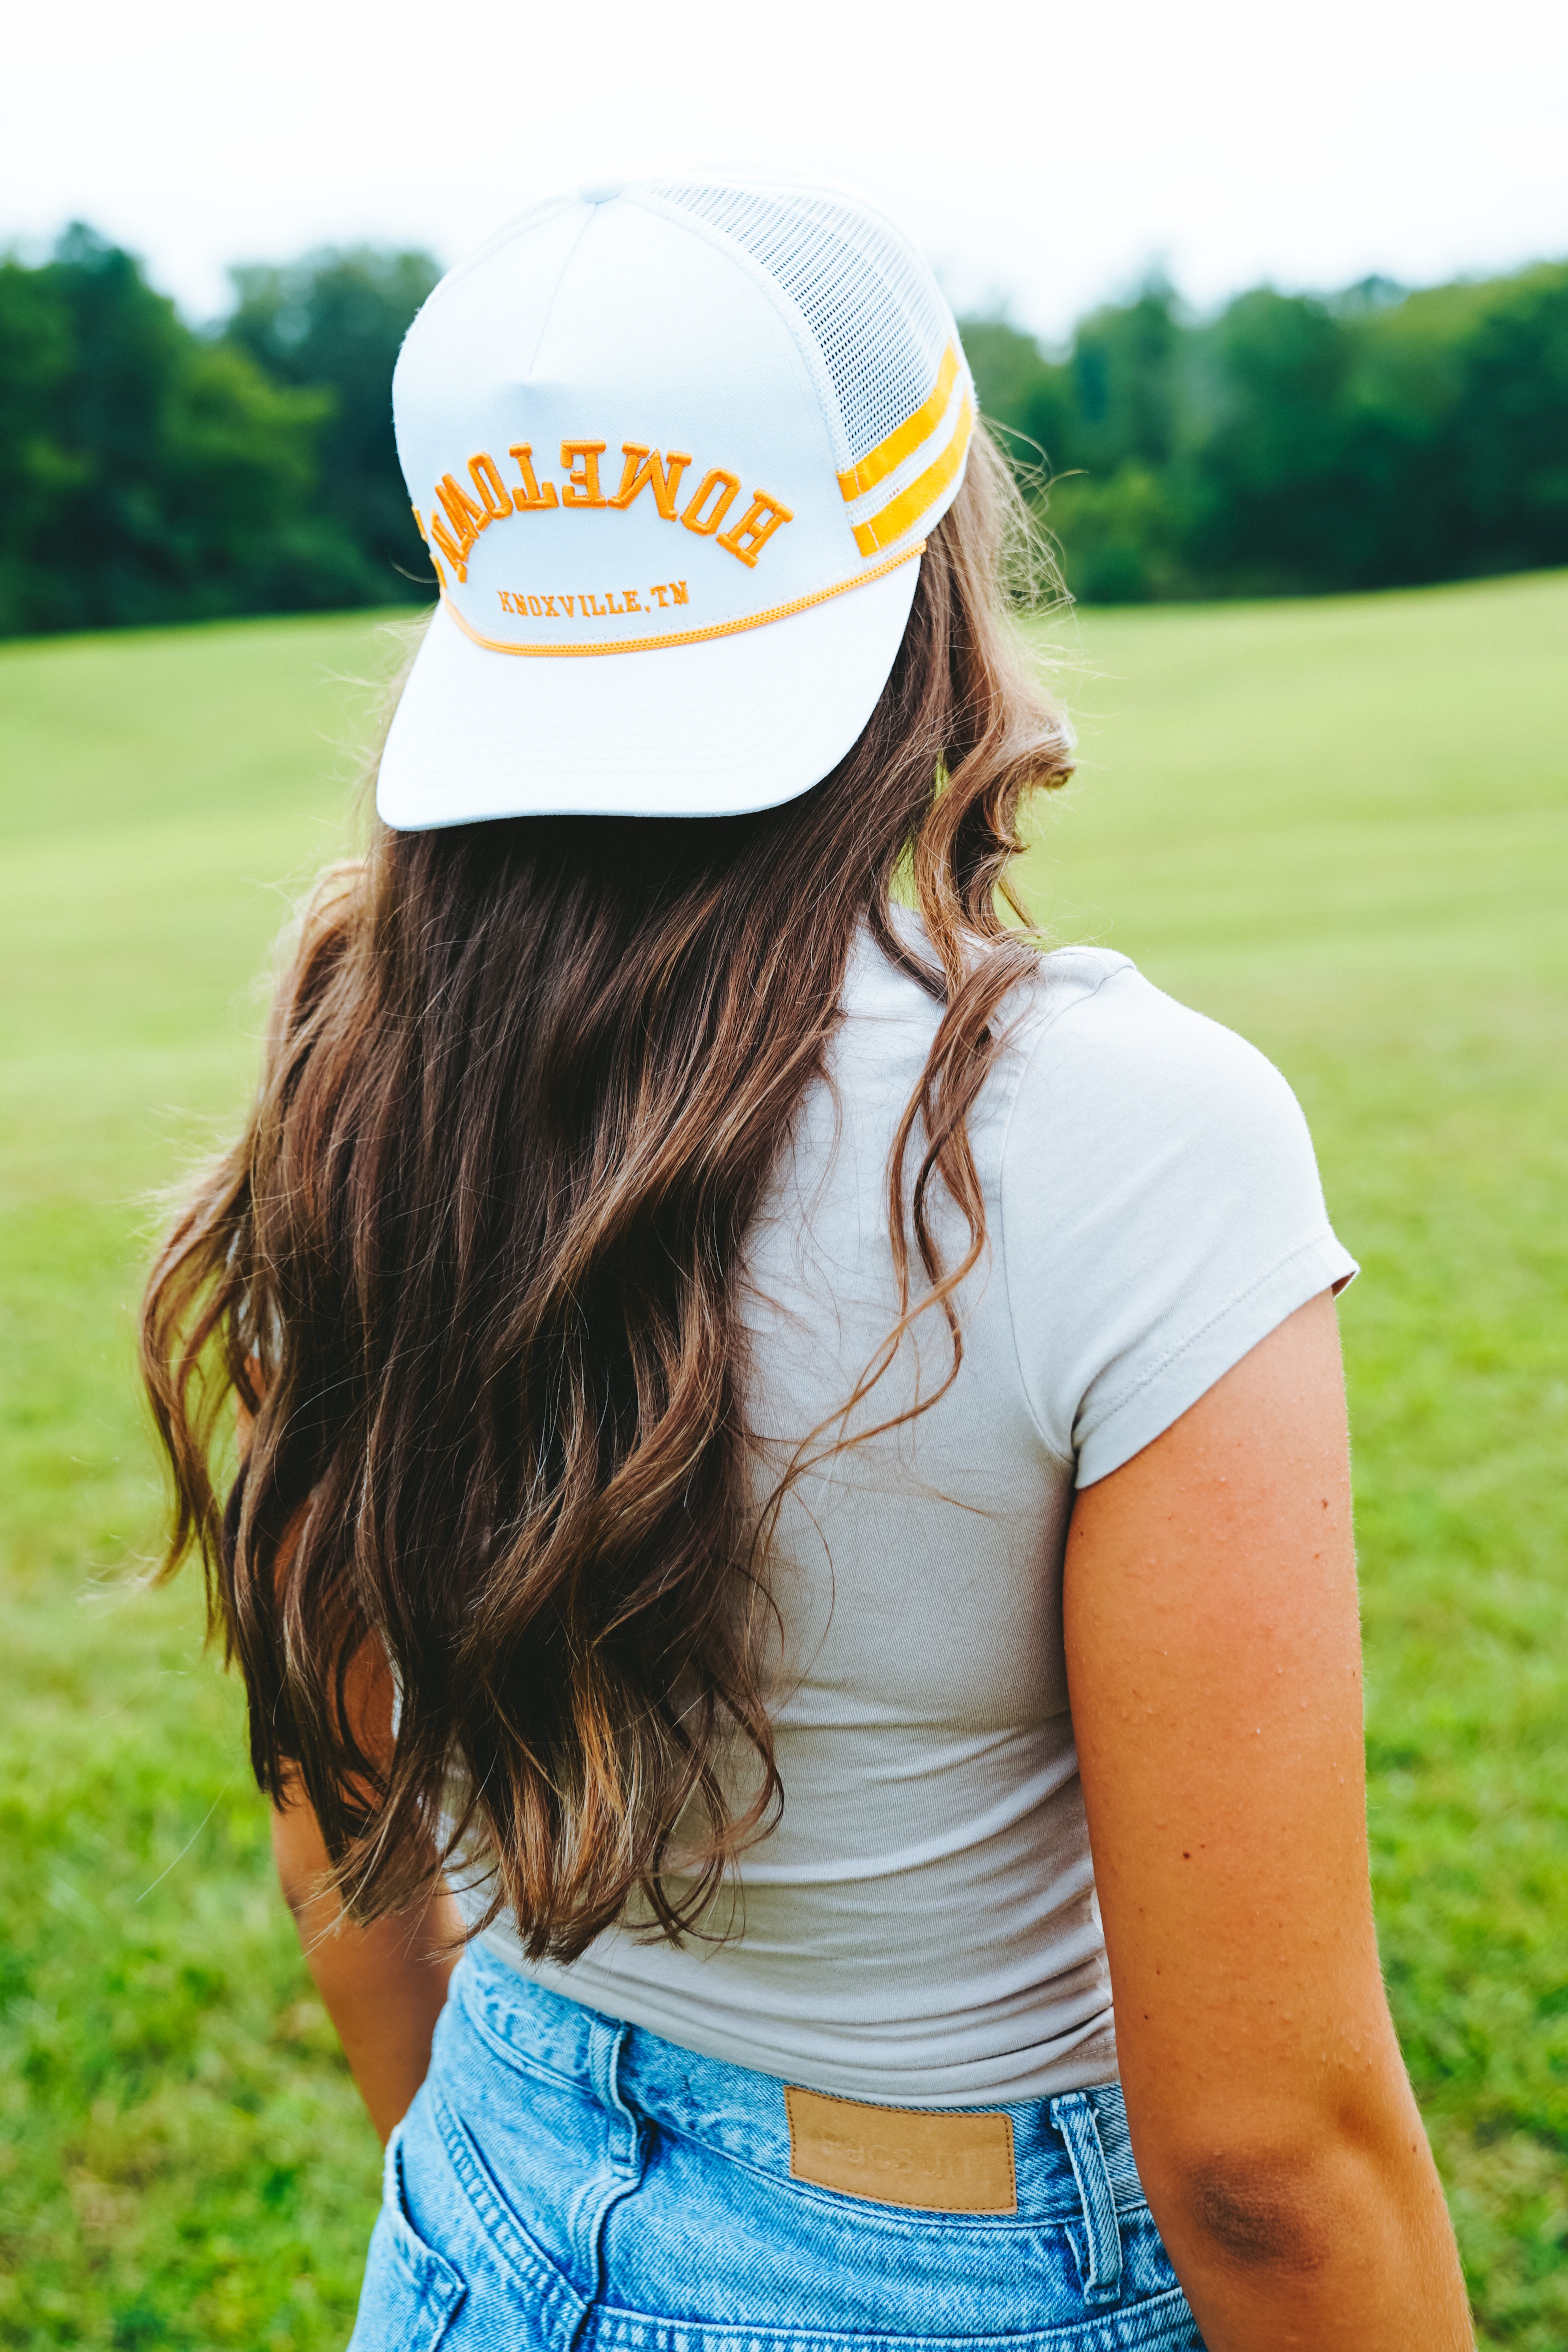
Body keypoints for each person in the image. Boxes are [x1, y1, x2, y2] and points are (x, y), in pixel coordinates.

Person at [141, 177, 1472, 2350]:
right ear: (935, 550)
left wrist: (508, 2169)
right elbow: (1261, 2167)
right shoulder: (1127, 1130)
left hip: (480, 2207)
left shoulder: (367, 1065)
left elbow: (345, 1822)